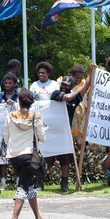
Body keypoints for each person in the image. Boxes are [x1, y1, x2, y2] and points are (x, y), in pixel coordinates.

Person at [47, 64, 95, 192]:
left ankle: (64, 183)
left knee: (65, 159)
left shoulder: (76, 97)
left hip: (65, 132)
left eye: (68, 85)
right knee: (47, 158)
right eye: (64, 84)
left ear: (72, 86)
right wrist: (79, 90)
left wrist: (91, 71)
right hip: (52, 131)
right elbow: (66, 97)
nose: (65, 87)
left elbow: (86, 86)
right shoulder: (56, 93)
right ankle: (39, 181)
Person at [3, 88, 46, 219]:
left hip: (13, 156)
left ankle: (38, 217)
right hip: (29, 156)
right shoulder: (36, 116)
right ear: (32, 102)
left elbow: (6, 137)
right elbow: (42, 138)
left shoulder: (10, 116)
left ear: (19, 101)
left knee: (29, 185)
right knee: (23, 186)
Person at [0, 72, 20, 190]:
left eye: (10, 83)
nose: (7, 85)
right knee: (2, 157)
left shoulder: (20, 96)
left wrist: (15, 104)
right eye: (6, 83)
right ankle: (3, 182)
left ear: (15, 84)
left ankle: (18, 180)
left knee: (16, 156)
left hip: (16, 131)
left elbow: (26, 108)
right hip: (2, 131)